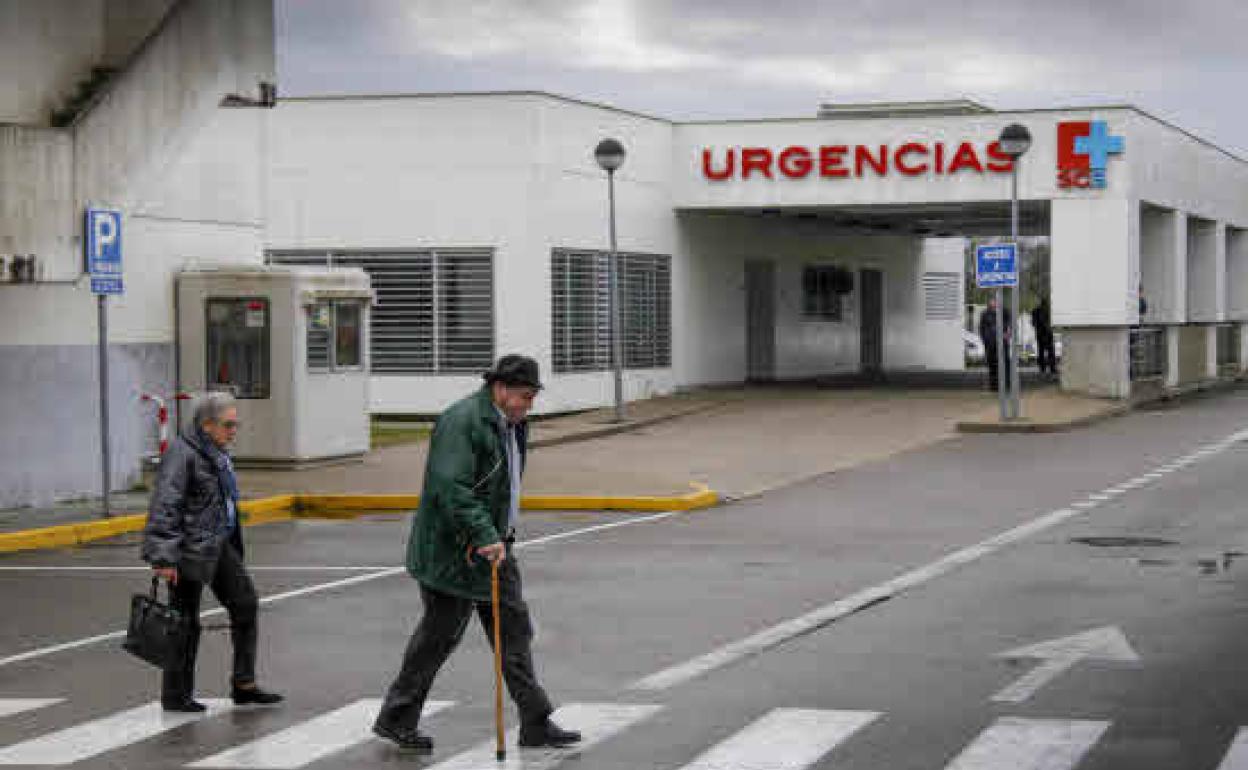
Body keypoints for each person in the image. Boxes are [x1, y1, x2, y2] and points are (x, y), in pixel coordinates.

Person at [373, 354, 581, 753]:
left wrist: (498, 535)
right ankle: (396, 717)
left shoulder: (510, 422)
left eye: (532, 397)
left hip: (493, 548)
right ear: (499, 389)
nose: (528, 405)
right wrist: (485, 533)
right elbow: (451, 487)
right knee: (439, 637)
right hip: (455, 551)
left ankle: (535, 721)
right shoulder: (462, 421)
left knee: (515, 632)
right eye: (523, 396)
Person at [141, 392, 283, 712]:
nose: (234, 431)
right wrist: (163, 558)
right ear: (206, 425)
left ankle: (244, 684)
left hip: (218, 544)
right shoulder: (183, 454)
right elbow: (165, 505)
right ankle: (176, 695)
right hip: (188, 550)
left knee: (245, 603)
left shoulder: (214, 451)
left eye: (236, 425)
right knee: (184, 622)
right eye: (228, 425)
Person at [978, 296, 1013, 392]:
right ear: (989, 302)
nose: (994, 303)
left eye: (996, 301)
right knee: (992, 365)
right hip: (990, 344)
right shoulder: (985, 314)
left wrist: (1008, 333)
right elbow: (981, 328)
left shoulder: (1005, 312)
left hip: (1003, 343)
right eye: (992, 301)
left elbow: (1010, 324)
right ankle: (994, 386)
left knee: (1005, 364)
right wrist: (985, 340)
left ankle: (1006, 385)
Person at [1031, 298, 1056, 376]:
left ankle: (1044, 368)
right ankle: (1050, 368)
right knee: (1049, 351)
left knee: (1043, 351)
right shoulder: (1047, 311)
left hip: (1042, 333)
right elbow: (1035, 323)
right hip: (1045, 333)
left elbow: (1033, 323)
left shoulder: (1035, 311)